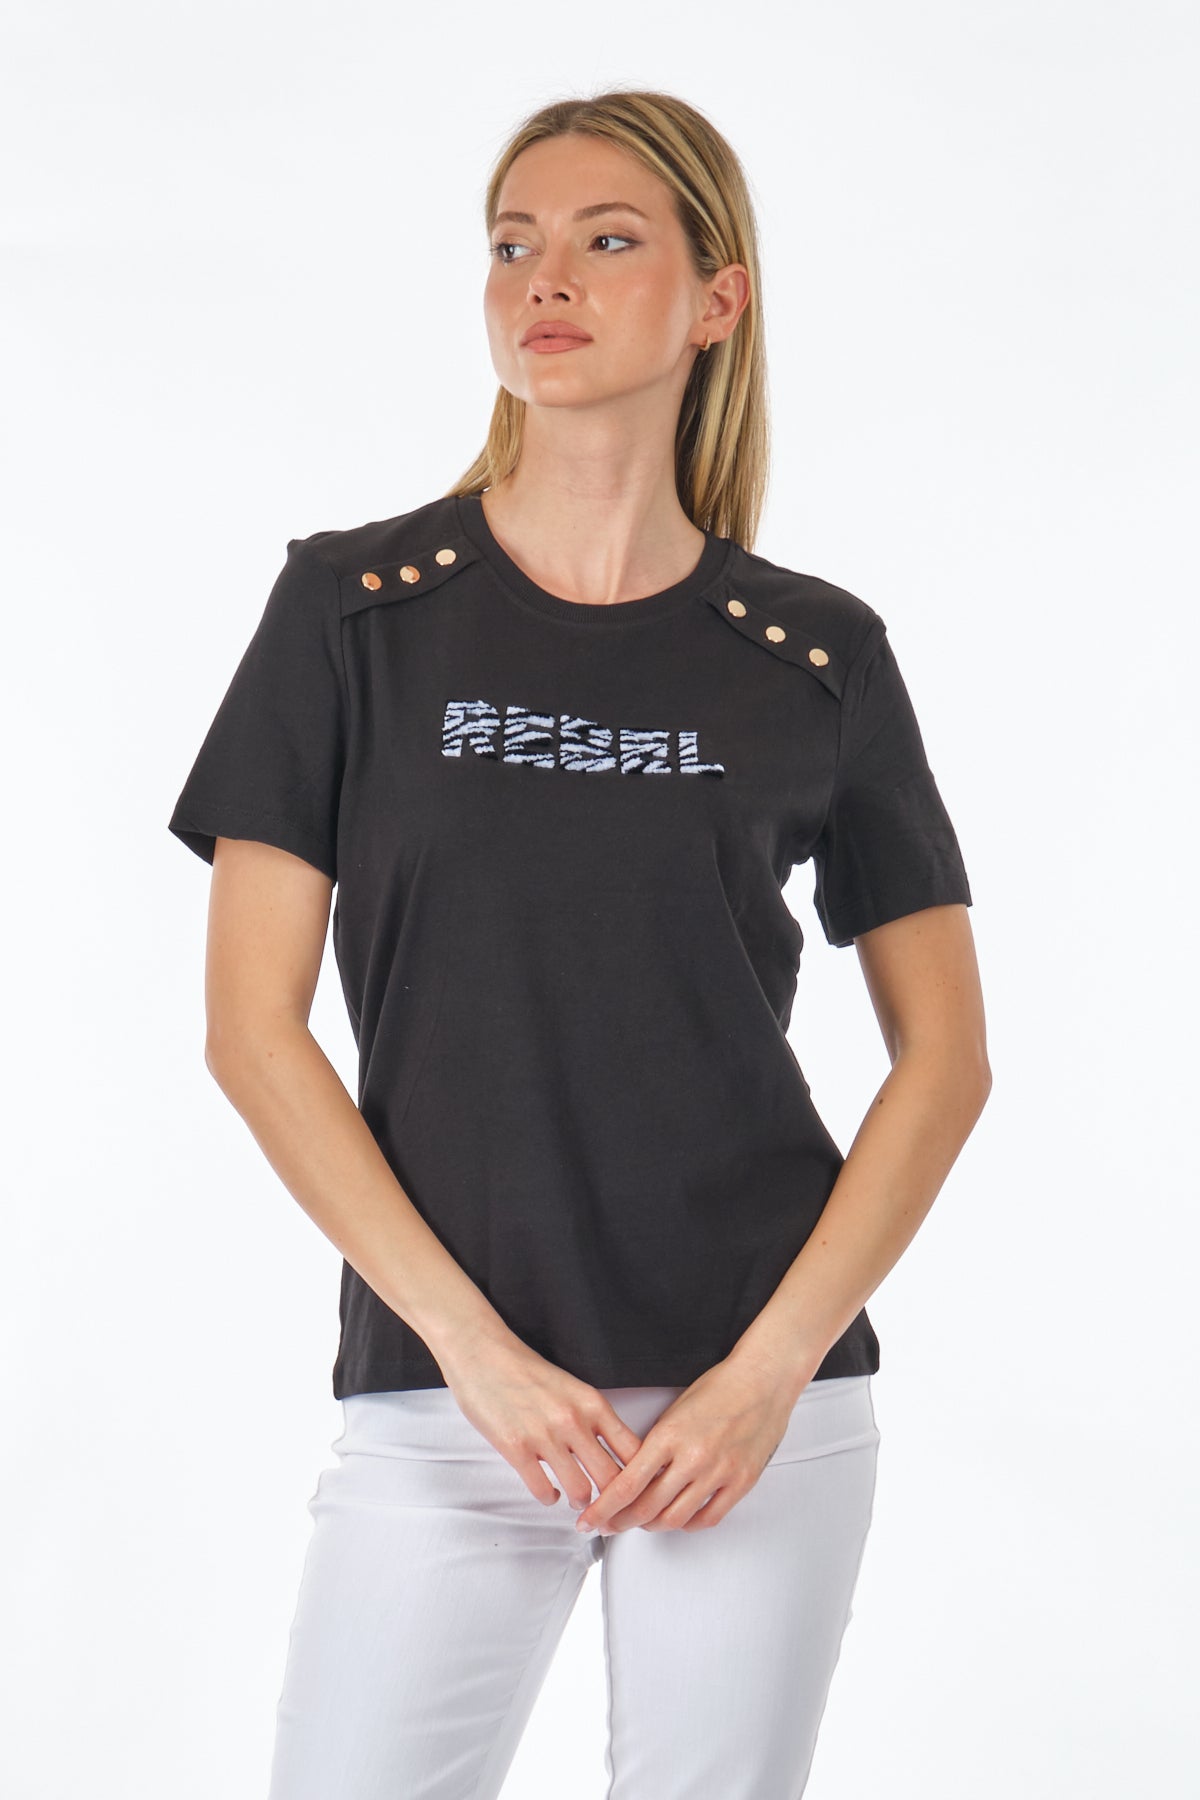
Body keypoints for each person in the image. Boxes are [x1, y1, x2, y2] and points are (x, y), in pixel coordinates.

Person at [167, 87, 990, 1800]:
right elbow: (252, 1030)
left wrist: (767, 1376)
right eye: (513, 244)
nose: (545, 278)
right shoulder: (350, 614)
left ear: (716, 299)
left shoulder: (813, 656)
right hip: (449, 1391)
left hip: (751, 1405)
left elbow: (947, 1061)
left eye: (609, 240)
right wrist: (474, 1353)